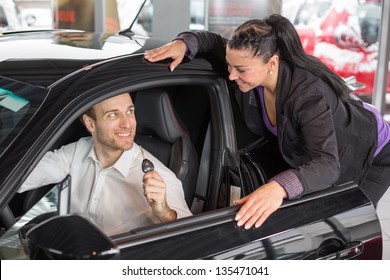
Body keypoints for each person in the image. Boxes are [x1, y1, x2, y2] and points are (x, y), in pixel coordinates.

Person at [144, 14, 390, 230]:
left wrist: (278, 188)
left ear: (271, 64)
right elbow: (211, 41)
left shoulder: (307, 95)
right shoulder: (247, 62)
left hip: (372, 150)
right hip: (333, 134)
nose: (231, 75)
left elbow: (327, 165)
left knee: (349, 224)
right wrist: (183, 43)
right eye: (229, 66)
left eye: (240, 70)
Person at [19, 93, 192, 236]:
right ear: (90, 123)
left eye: (130, 111)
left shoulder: (161, 179)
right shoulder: (76, 151)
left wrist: (164, 212)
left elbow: (193, 237)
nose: (127, 123)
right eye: (113, 114)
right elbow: (22, 176)